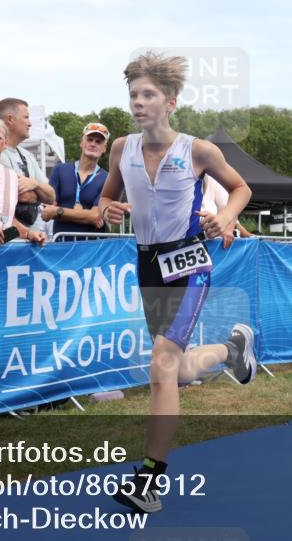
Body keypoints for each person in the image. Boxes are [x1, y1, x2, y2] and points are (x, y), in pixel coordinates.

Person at [99, 51, 257, 514]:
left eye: (148, 94)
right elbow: (107, 198)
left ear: (170, 101)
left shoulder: (198, 150)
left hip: (187, 262)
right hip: (147, 263)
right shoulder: (120, 149)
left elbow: (242, 188)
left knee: (161, 367)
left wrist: (225, 216)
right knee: (178, 370)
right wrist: (105, 210)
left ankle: (150, 479)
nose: (138, 103)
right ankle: (231, 351)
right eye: (133, 95)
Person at [0, 98, 55, 231]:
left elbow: (51, 196)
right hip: (7, 239)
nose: (30, 123)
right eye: (26, 117)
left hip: (31, 238)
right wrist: (40, 193)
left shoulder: (27, 155)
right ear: (10, 119)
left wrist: (34, 184)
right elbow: (21, 195)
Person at [42, 122, 110, 237]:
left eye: (98, 142)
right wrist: (86, 216)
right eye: (90, 139)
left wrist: (59, 211)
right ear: (81, 142)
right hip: (62, 245)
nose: (93, 144)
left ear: (104, 148)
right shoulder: (60, 170)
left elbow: (95, 216)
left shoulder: (107, 178)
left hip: (92, 246)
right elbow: (47, 212)